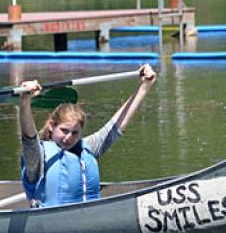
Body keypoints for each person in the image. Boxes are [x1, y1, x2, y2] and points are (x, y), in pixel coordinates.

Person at [17, 64, 158, 207]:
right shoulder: (38, 156)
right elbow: (29, 136)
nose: (68, 138)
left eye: (75, 133)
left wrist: (145, 85)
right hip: (47, 222)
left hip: (89, 218)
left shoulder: (87, 147)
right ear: (52, 126)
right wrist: (25, 99)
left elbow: (115, 126)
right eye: (64, 131)